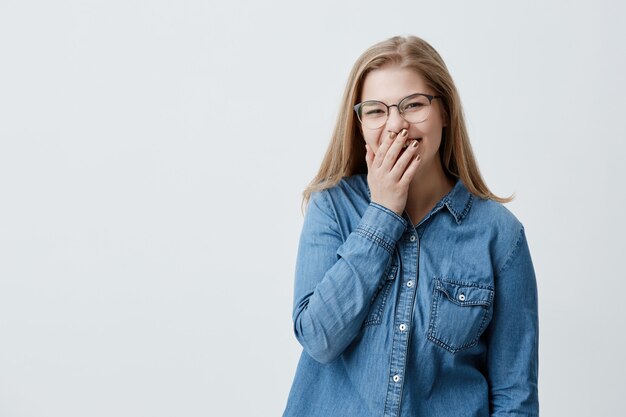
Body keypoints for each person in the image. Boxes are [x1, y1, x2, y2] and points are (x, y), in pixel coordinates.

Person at [282, 35, 539, 417]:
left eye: (414, 105)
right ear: (359, 124)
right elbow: (318, 338)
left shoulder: (500, 237)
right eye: (375, 111)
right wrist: (383, 213)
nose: (395, 125)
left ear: (445, 111)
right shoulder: (332, 207)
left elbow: (514, 398)